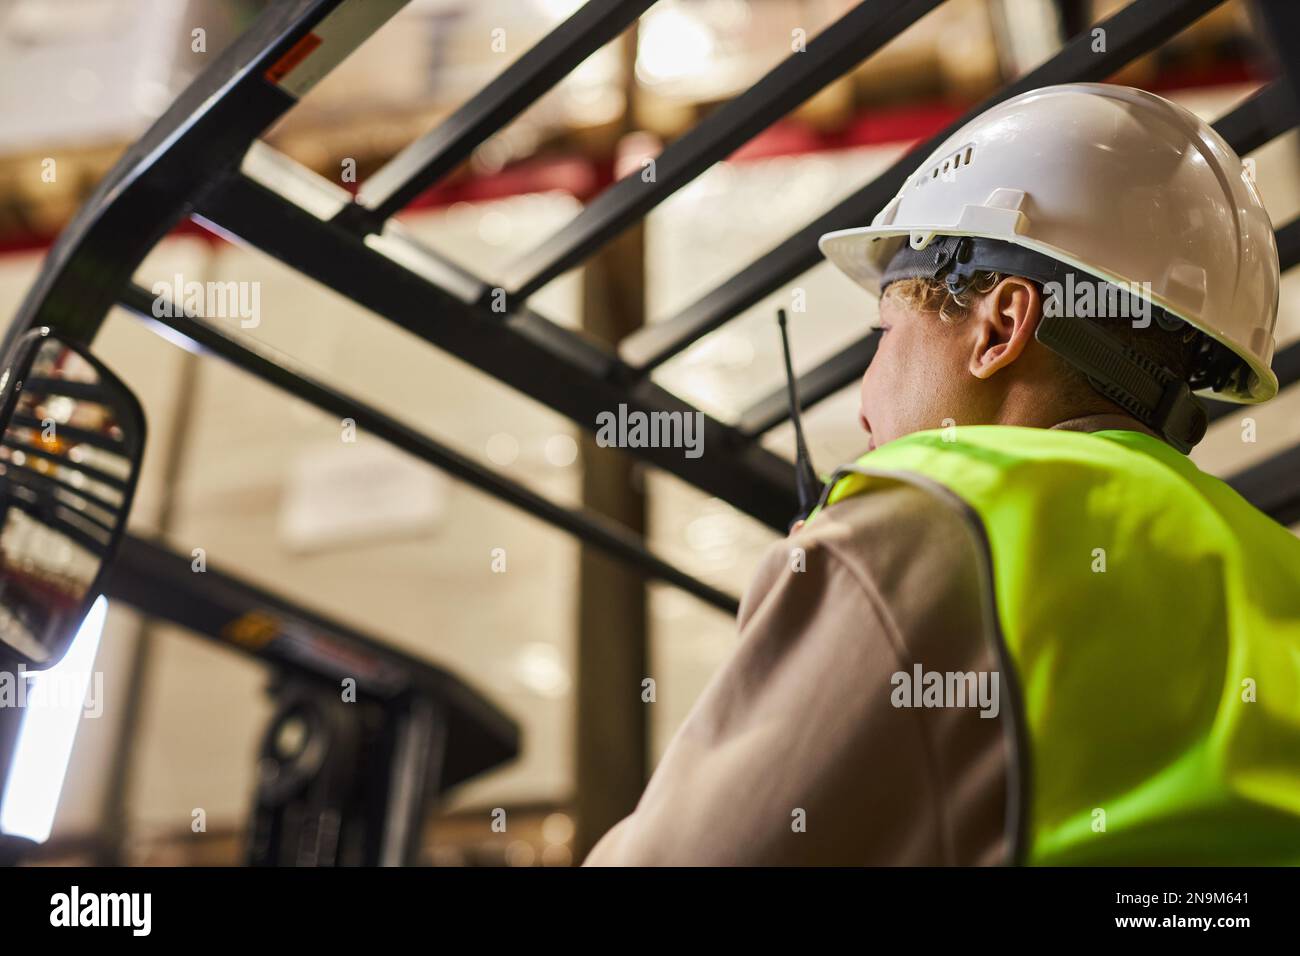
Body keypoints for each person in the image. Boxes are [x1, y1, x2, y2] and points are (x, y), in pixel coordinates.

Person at [583, 83, 1300, 866]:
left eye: (882, 335)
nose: (862, 408)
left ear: (999, 325)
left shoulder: (933, 518)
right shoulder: (1274, 564)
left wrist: (851, 578)